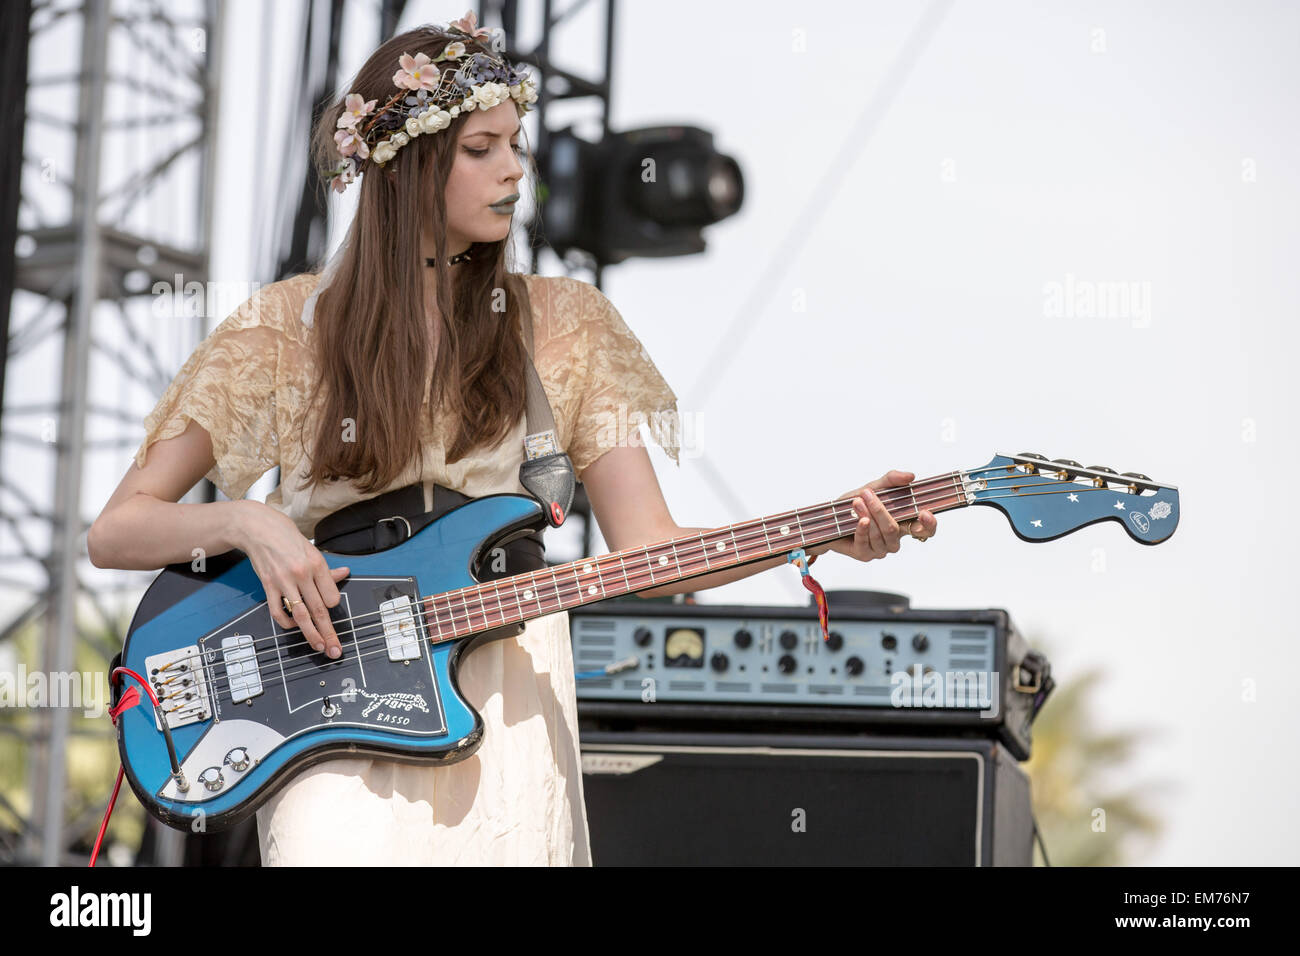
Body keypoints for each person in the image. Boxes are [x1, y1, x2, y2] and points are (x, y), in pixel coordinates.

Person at [87, 13, 937, 866]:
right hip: (326, 687)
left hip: (508, 694)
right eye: (483, 148)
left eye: (517, 145)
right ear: (411, 166)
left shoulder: (566, 325)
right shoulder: (281, 326)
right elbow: (117, 528)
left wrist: (831, 530)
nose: (515, 170)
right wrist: (249, 524)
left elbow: (653, 548)